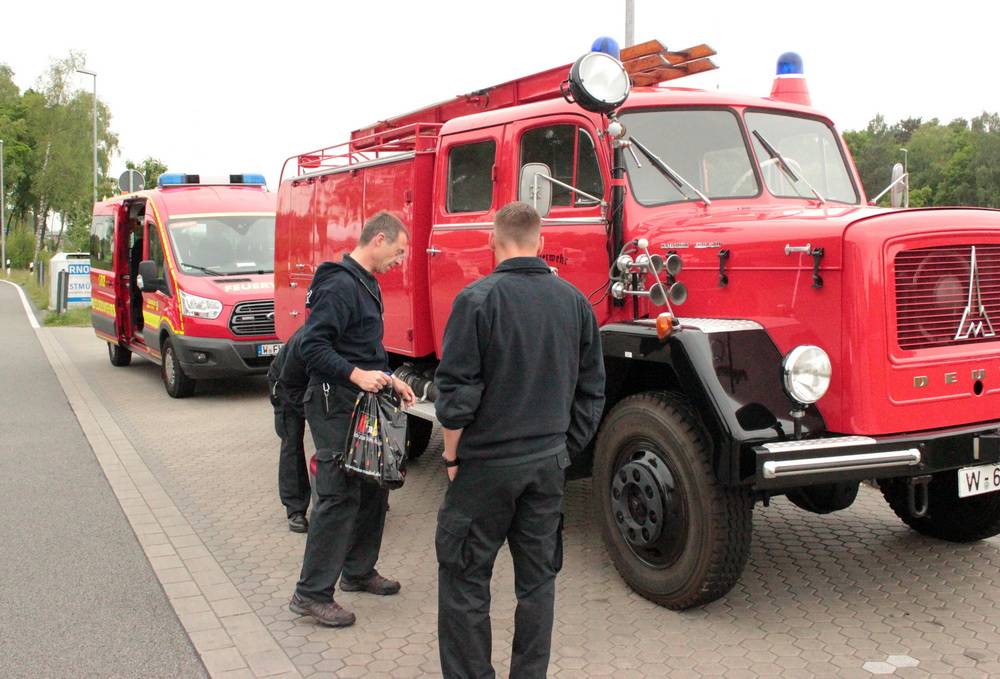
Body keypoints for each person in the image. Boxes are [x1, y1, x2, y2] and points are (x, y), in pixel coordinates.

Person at [434, 201, 606, 678]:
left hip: (484, 467)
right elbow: (592, 389)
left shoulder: (476, 300)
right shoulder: (574, 302)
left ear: (492, 240)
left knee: (466, 581)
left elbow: (456, 397)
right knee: (537, 584)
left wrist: (451, 457)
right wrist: (565, 448)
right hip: (546, 464)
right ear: (541, 242)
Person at [289, 211, 416, 628]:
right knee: (338, 496)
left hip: (361, 401)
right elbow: (312, 347)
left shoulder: (367, 284)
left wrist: (389, 380)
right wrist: (355, 375)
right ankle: (311, 594)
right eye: (397, 251)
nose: (399, 261)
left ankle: (358, 572)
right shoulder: (339, 285)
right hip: (333, 403)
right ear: (378, 240)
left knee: (374, 487)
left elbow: (366, 348)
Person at [266, 327, 311, 533]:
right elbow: (287, 385)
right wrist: (313, 413)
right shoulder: (306, 340)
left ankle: (362, 496)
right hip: (285, 387)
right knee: (291, 443)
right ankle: (295, 509)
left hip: (316, 386)